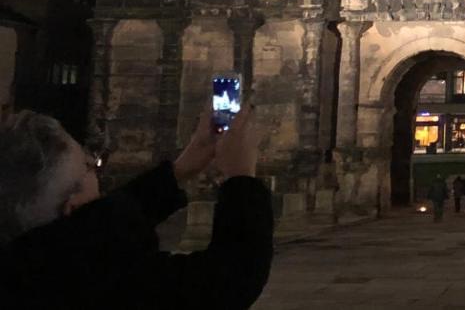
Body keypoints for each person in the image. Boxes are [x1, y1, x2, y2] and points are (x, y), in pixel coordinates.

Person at [0, 107, 272, 310]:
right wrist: (241, 178)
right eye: (88, 166)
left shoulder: (29, 263)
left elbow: (104, 225)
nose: (96, 171)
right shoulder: (100, 282)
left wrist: (178, 171)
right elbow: (231, 279)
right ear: (72, 206)